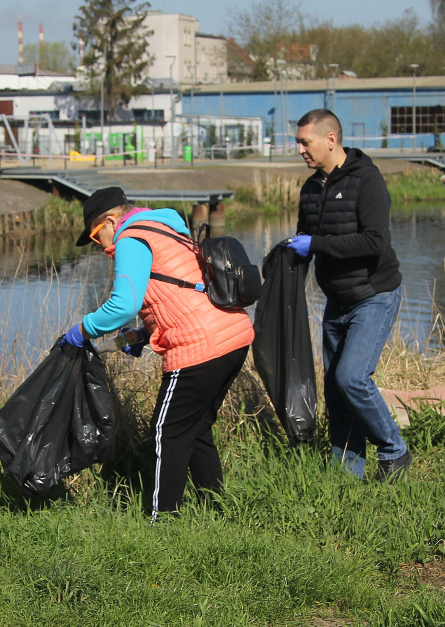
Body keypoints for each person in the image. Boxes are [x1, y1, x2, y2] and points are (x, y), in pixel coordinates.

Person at [60, 187, 254, 519]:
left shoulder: (130, 238)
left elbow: (124, 304)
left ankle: (163, 522)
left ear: (110, 220)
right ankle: (217, 509)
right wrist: (143, 333)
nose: (99, 245)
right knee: (196, 428)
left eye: (95, 236)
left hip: (199, 347)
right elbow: (180, 292)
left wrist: (82, 330)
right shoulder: (163, 228)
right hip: (233, 336)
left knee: (166, 433)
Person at [284, 108, 412, 483]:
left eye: (304, 142)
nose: (300, 150)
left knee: (352, 377)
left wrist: (318, 243)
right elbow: (306, 247)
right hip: (335, 300)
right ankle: (347, 474)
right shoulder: (310, 189)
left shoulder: (367, 180)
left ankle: (394, 449)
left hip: (374, 294)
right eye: (297, 142)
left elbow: (375, 242)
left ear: (331, 140)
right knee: (336, 390)